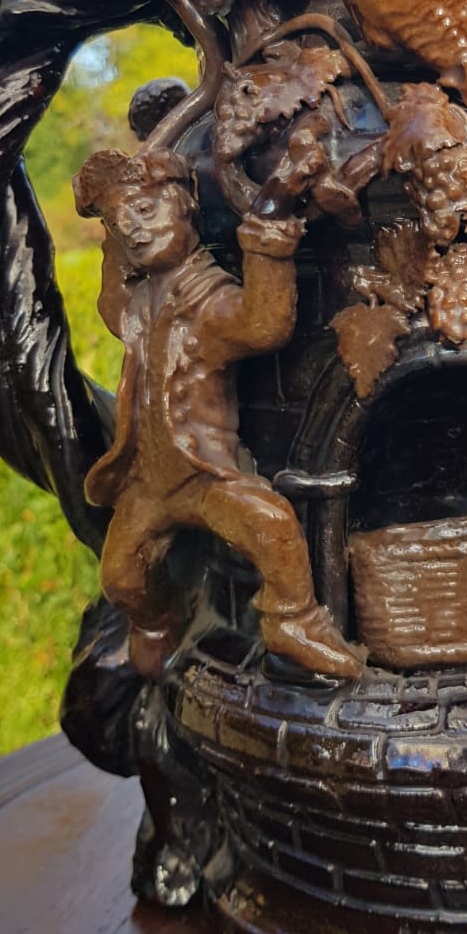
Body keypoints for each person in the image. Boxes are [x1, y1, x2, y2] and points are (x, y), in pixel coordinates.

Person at [72, 134, 362, 680]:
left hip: (205, 477)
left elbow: (263, 323)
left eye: (142, 209)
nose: (131, 226)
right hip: (150, 483)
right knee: (121, 578)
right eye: (117, 220)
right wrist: (111, 245)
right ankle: (162, 619)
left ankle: (291, 622)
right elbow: (112, 305)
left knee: (271, 525)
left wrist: (270, 222)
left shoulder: (207, 303)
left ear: (184, 207)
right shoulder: (141, 302)